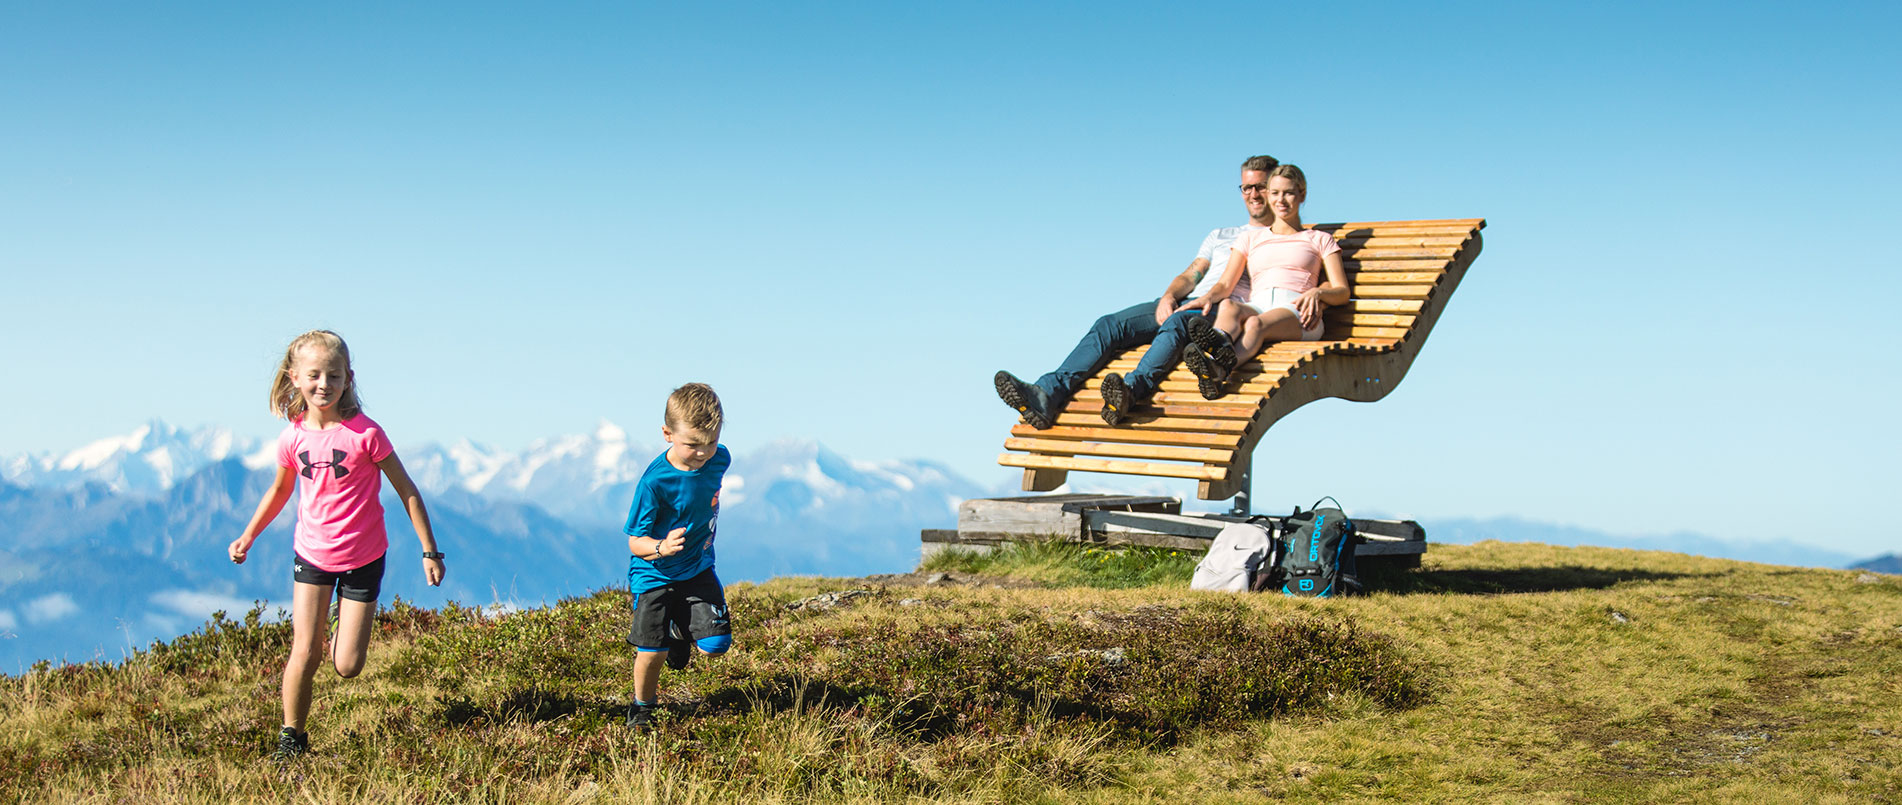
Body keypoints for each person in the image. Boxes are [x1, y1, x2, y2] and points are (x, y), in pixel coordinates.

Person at [228, 329, 446, 761]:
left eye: (333, 375)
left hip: (364, 557)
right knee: (304, 651)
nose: (323, 384)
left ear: (348, 377)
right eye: (313, 375)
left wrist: (430, 551)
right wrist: (248, 535)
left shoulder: (366, 434)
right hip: (311, 555)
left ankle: (340, 634)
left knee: (347, 665)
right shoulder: (292, 438)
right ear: (294, 377)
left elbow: (407, 490)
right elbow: (278, 492)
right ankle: (291, 738)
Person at [994, 154, 1279, 427]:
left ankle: (1130, 391)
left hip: (1220, 310)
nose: (1253, 194)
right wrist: (1169, 296)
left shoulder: (1280, 240)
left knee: (1178, 323)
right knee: (1110, 325)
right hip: (1187, 302)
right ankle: (1046, 394)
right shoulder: (1221, 235)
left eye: (1261, 187)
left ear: (1274, 187)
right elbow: (1191, 274)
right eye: (1246, 187)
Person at [1180, 163, 1350, 399]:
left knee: (1255, 325)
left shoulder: (1320, 239)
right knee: (1229, 305)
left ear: (1302, 194)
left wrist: (1318, 294)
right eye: (1275, 193)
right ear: (1268, 196)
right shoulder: (1250, 238)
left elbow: (1342, 290)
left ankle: (1218, 369)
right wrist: (1206, 298)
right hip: (1258, 303)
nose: (1281, 200)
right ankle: (1218, 346)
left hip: (1297, 311)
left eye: (1289, 192)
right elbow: (1225, 285)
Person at [622, 382, 734, 731]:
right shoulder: (654, 484)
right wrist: (661, 547)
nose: (702, 453)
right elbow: (634, 542)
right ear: (667, 434)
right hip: (654, 573)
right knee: (652, 652)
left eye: (710, 442)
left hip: (698, 566)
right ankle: (642, 708)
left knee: (716, 645)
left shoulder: (721, 459)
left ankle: (678, 632)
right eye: (692, 445)